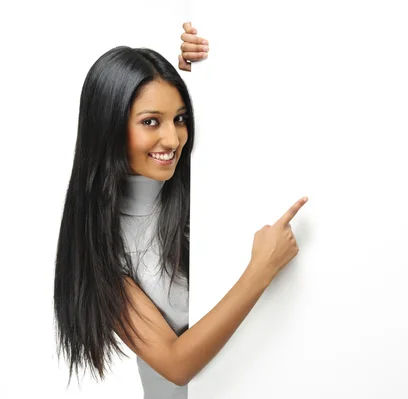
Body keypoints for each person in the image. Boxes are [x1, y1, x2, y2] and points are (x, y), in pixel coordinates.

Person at [53, 21, 308, 399]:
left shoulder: (191, 192)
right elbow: (176, 364)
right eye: (150, 122)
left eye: (180, 119)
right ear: (108, 126)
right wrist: (261, 269)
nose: (173, 139)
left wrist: (207, 74)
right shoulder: (99, 247)